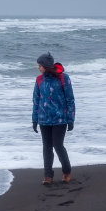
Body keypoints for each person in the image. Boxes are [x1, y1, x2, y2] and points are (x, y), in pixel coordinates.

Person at [32, 52, 76, 185]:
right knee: (46, 147)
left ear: (46, 65)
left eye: (40, 65)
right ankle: (48, 176)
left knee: (57, 145)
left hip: (60, 119)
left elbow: (70, 100)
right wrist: (34, 119)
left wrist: (70, 119)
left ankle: (66, 171)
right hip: (43, 119)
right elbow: (35, 101)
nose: (38, 68)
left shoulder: (63, 78)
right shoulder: (39, 80)